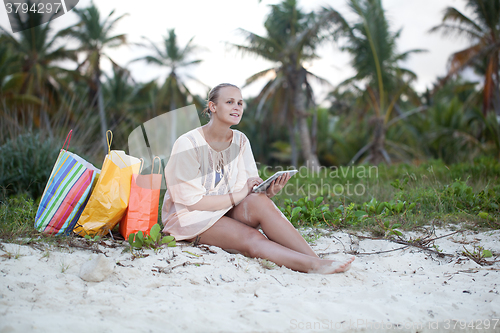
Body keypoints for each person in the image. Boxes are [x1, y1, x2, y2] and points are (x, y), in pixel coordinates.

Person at [161, 83, 354, 274]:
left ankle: (316, 259)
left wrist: (267, 191)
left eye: (240, 103)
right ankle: (312, 266)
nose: (237, 107)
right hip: (189, 217)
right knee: (252, 236)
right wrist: (241, 193)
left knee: (259, 201)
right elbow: (192, 202)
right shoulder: (188, 143)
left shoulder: (240, 140)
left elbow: (249, 187)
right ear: (213, 106)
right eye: (229, 102)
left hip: (224, 209)